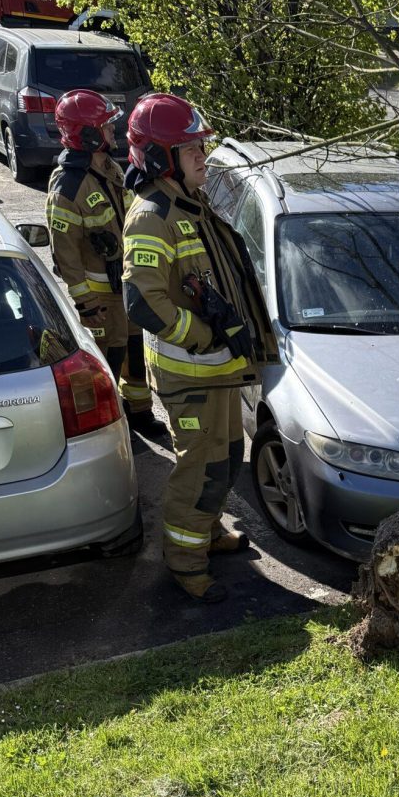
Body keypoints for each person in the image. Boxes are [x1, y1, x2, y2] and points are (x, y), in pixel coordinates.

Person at [121, 93, 277, 602]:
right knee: (199, 468)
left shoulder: (189, 201)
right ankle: (187, 563)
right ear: (162, 157)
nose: (202, 158)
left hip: (217, 369)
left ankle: (207, 533)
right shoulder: (151, 216)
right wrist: (204, 334)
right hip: (191, 371)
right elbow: (142, 302)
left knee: (228, 458)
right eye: (191, 150)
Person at [45, 89, 165, 440]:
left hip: (123, 285)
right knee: (107, 362)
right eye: (106, 127)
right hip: (99, 297)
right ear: (86, 134)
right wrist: (86, 302)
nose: (113, 132)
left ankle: (139, 413)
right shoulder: (68, 187)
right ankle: (110, 426)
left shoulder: (108, 166)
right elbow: (65, 254)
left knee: (133, 352)